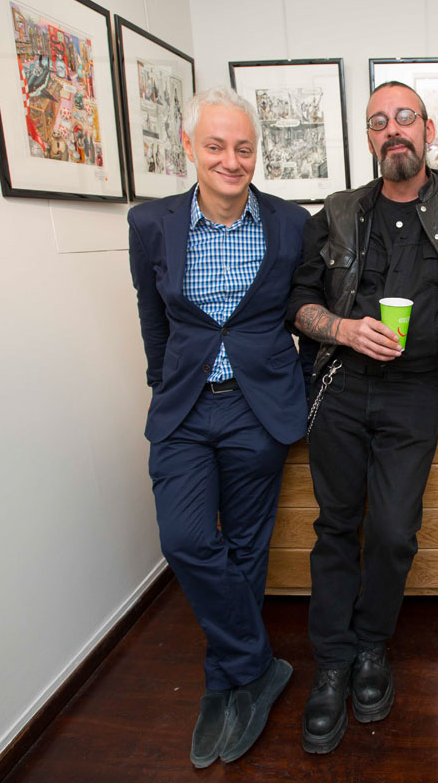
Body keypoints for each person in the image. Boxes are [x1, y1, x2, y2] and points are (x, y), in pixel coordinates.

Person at [287, 81, 438, 754]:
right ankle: (332, 663)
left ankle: (371, 645)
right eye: (379, 121)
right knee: (336, 527)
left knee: (391, 531)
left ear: (429, 130)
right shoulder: (336, 212)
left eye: (405, 117)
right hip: (341, 384)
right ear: (369, 137)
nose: (394, 130)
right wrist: (343, 330)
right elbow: (298, 302)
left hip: (415, 390)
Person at [127, 86, 308, 768]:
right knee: (186, 539)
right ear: (188, 147)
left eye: (244, 148)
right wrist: (162, 382)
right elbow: (152, 315)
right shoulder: (152, 223)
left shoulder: (291, 223)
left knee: (247, 549)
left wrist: (297, 386)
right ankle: (257, 666)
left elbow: (304, 308)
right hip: (185, 405)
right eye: (216, 146)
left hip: (258, 406)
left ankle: (224, 680)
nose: (232, 161)